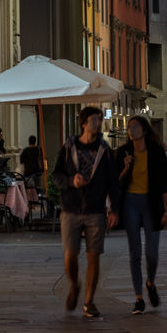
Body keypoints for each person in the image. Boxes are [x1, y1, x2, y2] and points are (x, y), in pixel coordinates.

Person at [52, 106, 120, 319]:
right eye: (93, 119)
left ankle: (89, 302)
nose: (97, 123)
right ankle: (74, 284)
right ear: (83, 123)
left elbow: (113, 182)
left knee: (94, 256)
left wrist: (114, 209)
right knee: (70, 256)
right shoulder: (69, 146)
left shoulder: (104, 150)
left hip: (95, 209)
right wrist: (71, 181)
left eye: (99, 120)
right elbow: (57, 175)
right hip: (71, 208)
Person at [115, 116, 167, 315]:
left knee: (152, 253)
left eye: (136, 126)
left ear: (144, 130)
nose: (131, 130)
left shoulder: (156, 151)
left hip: (152, 204)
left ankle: (151, 282)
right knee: (135, 253)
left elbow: (165, 182)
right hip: (130, 204)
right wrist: (125, 167)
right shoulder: (123, 153)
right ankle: (138, 297)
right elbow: (116, 182)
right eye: (129, 127)